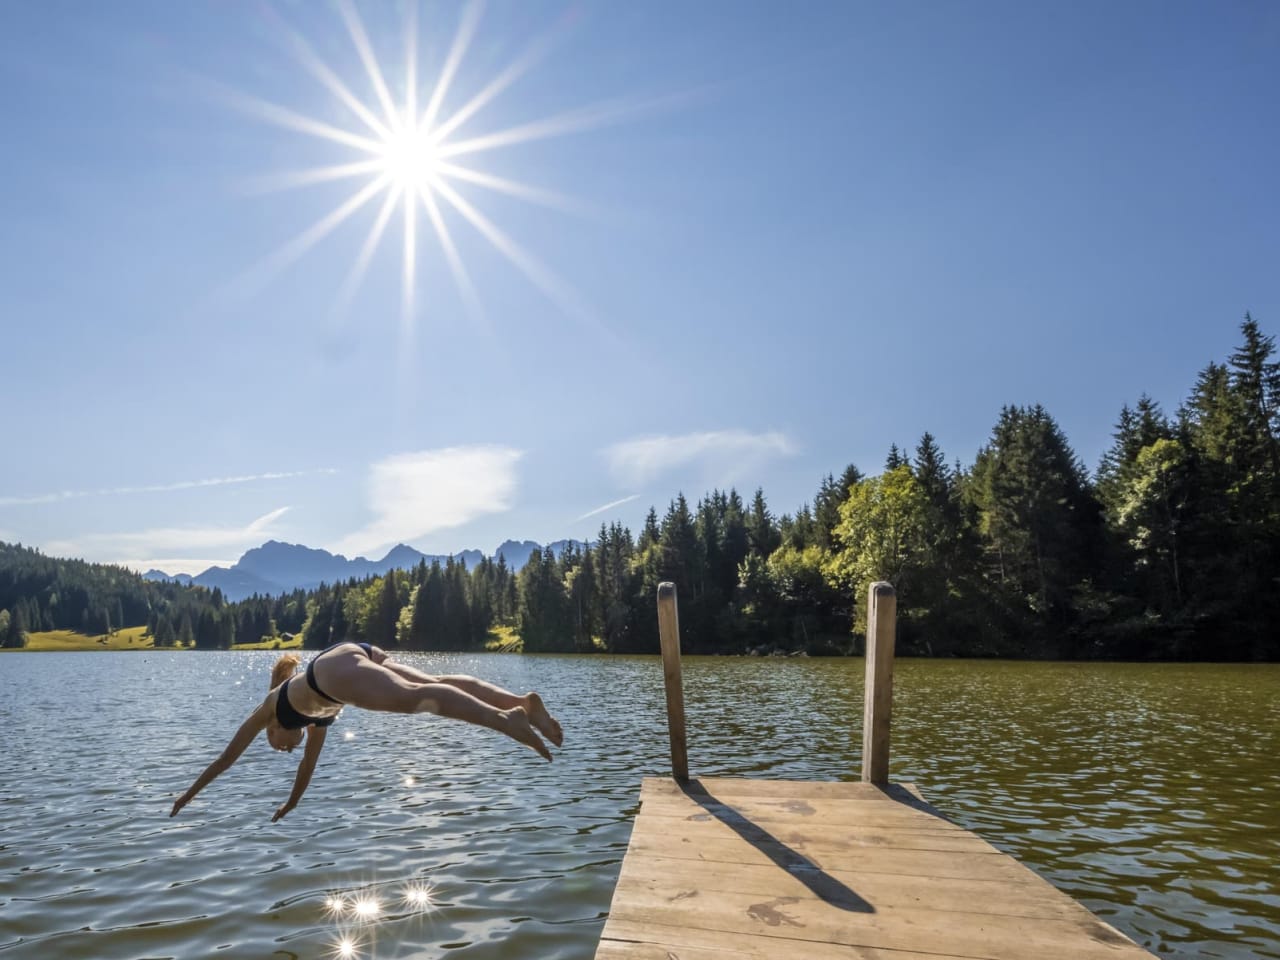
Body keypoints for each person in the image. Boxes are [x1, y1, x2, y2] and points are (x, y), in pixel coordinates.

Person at [169, 641, 563, 822]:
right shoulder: (315, 721)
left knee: (414, 698)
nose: (284, 749)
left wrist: (188, 794)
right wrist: (291, 804)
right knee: (433, 682)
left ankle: (505, 719)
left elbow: (226, 758)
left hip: (332, 673)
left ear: (271, 730)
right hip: (349, 655)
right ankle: (524, 703)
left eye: (276, 746)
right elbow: (307, 768)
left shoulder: (270, 707)